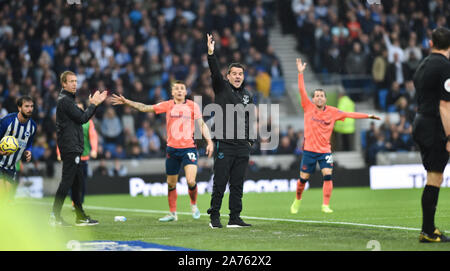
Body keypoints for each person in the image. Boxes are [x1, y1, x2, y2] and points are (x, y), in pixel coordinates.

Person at [111, 80, 214, 222]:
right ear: (172, 92)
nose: (179, 91)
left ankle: (194, 205)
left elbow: (202, 124)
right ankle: (173, 214)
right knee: (171, 183)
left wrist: (209, 141)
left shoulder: (192, 106)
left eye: (182, 88)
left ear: (185, 92)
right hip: (172, 150)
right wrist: (127, 102)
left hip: (188, 148)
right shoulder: (167, 105)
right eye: (176, 89)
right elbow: (145, 108)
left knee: (191, 180)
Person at [290, 58, 380, 214]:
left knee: (328, 175)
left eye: (321, 96)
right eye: (316, 95)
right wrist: (300, 74)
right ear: (313, 99)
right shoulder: (308, 107)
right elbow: (301, 90)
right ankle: (297, 200)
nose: (318, 97)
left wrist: (369, 116)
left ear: (325, 99)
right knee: (303, 179)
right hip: (309, 151)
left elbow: (350, 114)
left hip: (325, 151)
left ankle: (325, 204)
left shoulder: (333, 112)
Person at [206, 33, 256, 228]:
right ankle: (214, 216)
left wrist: (250, 140)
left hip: (242, 146)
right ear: (228, 76)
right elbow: (214, 73)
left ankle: (234, 217)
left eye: (240, 74)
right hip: (224, 144)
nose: (237, 76)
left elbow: (249, 119)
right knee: (220, 183)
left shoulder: (247, 95)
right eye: (234, 74)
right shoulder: (221, 88)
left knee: (237, 184)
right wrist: (211, 54)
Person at [50, 71, 107, 227]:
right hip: (70, 147)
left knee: (77, 182)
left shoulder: (67, 100)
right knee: (67, 182)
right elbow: (83, 119)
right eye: (71, 81)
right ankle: (55, 216)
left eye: (76, 81)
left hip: (73, 146)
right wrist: (94, 104)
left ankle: (80, 216)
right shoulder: (66, 101)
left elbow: (81, 117)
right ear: (63, 84)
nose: (75, 83)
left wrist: (92, 106)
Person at [412, 27, 450, 243]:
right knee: (434, 178)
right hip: (435, 125)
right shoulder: (445, 67)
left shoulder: (422, 65)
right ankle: (427, 231)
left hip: (420, 121)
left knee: (433, 176)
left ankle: (428, 229)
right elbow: (445, 105)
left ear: (430, 43)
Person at [56, 101, 98, 208]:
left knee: (81, 181)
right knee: (69, 181)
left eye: (80, 109)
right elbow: (61, 138)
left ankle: (79, 203)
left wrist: (94, 149)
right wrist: (59, 152)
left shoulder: (88, 122)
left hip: (83, 156)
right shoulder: (67, 121)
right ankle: (73, 202)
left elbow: (93, 136)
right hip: (71, 155)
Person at [0, 96, 36, 203]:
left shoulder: (33, 126)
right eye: (26, 106)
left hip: (11, 167)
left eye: (31, 106)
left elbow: (29, 143)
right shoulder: (7, 121)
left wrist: (29, 150)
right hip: (0, 163)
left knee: (7, 200)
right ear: (19, 108)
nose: (30, 109)